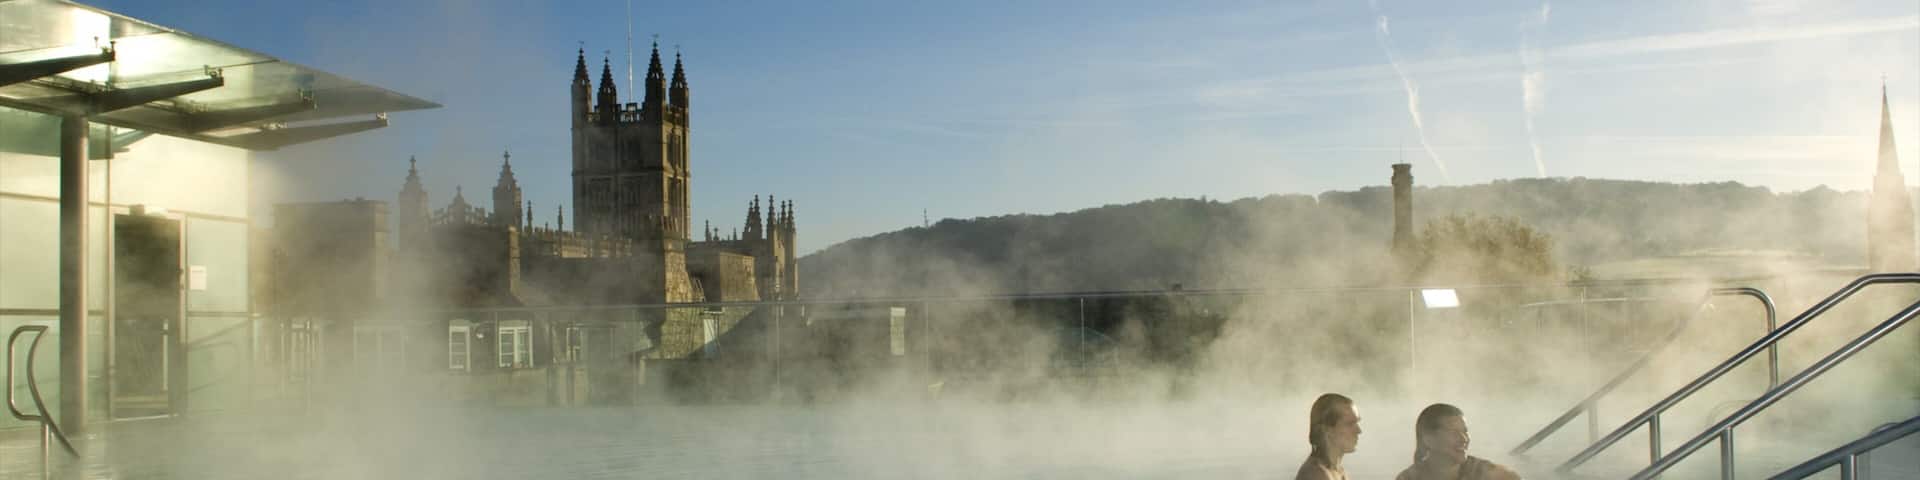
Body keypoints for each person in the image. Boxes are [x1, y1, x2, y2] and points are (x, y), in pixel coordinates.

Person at [1395, 403, 1522, 480]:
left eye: (1465, 431)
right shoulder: (1409, 478)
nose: (1464, 439)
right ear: (1429, 439)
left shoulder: (1481, 472)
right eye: (1453, 432)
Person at [1295, 393, 1362, 480]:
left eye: (1357, 423)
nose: (1358, 431)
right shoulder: (1316, 474)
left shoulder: (1337, 471)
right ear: (1327, 430)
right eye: (1350, 424)